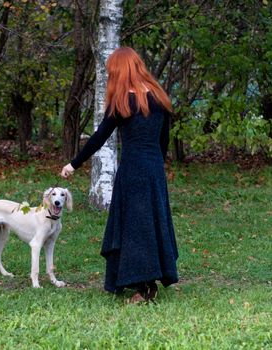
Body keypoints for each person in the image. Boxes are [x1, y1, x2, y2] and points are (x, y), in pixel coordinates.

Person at [60, 47, 178, 303]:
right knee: (151, 224)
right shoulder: (159, 97)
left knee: (135, 228)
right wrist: (156, 165)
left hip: (133, 170)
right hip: (154, 169)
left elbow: (99, 138)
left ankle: (142, 288)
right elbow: (164, 141)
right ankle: (148, 282)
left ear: (120, 71)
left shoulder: (123, 101)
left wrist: (73, 164)